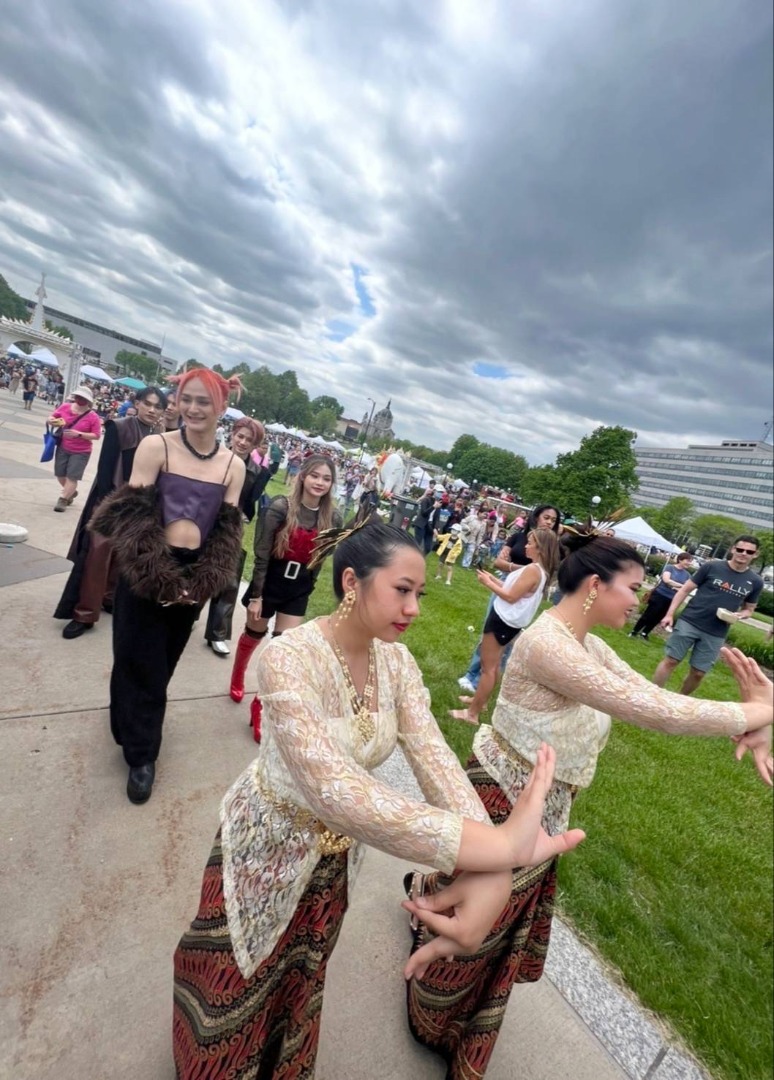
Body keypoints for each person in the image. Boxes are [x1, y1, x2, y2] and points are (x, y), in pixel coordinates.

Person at [172, 520, 585, 1079]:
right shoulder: (289, 657)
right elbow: (333, 790)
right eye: (402, 589)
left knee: (302, 974)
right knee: (233, 976)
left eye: (420, 593)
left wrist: (491, 862)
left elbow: (435, 758)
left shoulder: (397, 664)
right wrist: (497, 845)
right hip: (266, 844)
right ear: (351, 582)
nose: (413, 607)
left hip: (337, 859)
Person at [404, 531, 773, 1080]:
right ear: (597, 586)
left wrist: (755, 721)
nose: (639, 598)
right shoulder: (547, 644)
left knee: (488, 923)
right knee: (478, 923)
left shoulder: (588, 645)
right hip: (504, 797)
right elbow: (650, 709)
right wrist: (756, 715)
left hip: (545, 809)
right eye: (633, 587)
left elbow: (659, 702)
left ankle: (430, 924)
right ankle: (432, 1012)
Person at [88, 369, 245, 804]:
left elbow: (228, 534)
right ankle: (142, 755)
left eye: (203, 402)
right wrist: (159, 577)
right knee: (134, 656)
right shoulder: (156, 447)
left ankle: (130, 720)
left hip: (194, 577)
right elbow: (134, 520)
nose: (193, 409)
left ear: (222, 408)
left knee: (162, 664)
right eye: (186, 399)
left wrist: (200, 583)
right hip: (146, 569)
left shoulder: (234, 465)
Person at [229, 455, 342, 731]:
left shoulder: (333, 517)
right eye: (315, 475)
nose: (320, 482)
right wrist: (257, 595)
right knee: (254, 633)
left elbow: (321, 559)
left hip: (298, 587)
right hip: (269, 582)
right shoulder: (281, 507)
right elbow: (262, 554)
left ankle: (261, 704)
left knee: (283, 650)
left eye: (326, 478)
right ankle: (238, 674)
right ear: (303, 476)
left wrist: (309, 586)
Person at [53, 386, 168, 638]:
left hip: (140, 507)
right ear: (136, 403)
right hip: (112, 501)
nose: (152, 410)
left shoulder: (160, 435)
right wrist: (108, 506)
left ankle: (108, 599)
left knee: (123, 559)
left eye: (158, 406)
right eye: (147, 403)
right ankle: (84, 614)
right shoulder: (120, 426)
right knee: (97, 557)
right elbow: (105, 470)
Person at [450, 528, 561, 724]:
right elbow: (514, 591)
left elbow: (510, 596)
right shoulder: (538, 570)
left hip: (502, 620)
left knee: (488, 668)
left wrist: (486, 582)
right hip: (508, 622)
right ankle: (480, 701)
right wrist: (493, 579)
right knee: (493, 665)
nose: (526, 546)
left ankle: (472, 714)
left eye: (530, 543)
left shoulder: (533, 570)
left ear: (540, 548)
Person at [653, 536, 764, 695]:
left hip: (716, 631)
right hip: (691, 620)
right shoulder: (712, 566)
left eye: (749, 551)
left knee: (699, 673)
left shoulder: (755, 581)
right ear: (733, 549)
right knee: (671, 660)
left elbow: (749, 609)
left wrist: (740, 615)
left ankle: (680, 702)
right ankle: (654, 695)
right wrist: (669, 614)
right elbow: (685, 590)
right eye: (740, 549)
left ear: (755, 554)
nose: (743, 553)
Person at [204, 417, 271, 657]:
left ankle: (218, 633)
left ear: (255, 445)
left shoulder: (258, 472)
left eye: (249, 440)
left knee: (230, 580)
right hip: (203, 519)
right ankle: (187, 615)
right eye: (239, 436)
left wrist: (240, 517)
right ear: (232, 435)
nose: (242, 442)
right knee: (196, 569)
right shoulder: (213, 456)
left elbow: (251, 503)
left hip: (232, 525)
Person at [48, 386, 102, 511]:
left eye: (83, 398)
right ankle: (71, 492)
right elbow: (52, 417)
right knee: (60, 474)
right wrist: (52, 420)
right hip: (63, 446)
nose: (79, 399)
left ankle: (63, 499)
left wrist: (79, 434)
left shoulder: (93, 416)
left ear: (88, 401)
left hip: (81, 451)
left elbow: (97, 435)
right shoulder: (65, 406)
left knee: (72, 476)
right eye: (78, 397)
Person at [628, 552, 693, 640]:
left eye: (691, 561)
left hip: (671, 599)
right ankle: (634, 631)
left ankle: (645, 633)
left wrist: (674, 586)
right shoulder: (670, 567)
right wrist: (681, 586)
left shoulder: (687, 575)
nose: (690, 563)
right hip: (660, 595)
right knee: (649, 614)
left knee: (658, 617)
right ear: (680, 560)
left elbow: (684, 589)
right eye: (688, 561)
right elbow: (666, 580)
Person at [412, 487, 436, 555]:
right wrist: (433, 507)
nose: (441, 494)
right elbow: (424, 513)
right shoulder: (426, 500)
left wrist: (436, 528)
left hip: (430, 525)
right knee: (417, 543)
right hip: (421, 523)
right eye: (439, 492)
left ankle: (421, 558)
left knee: (428, 547)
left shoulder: (439, 502)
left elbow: (437, 517)